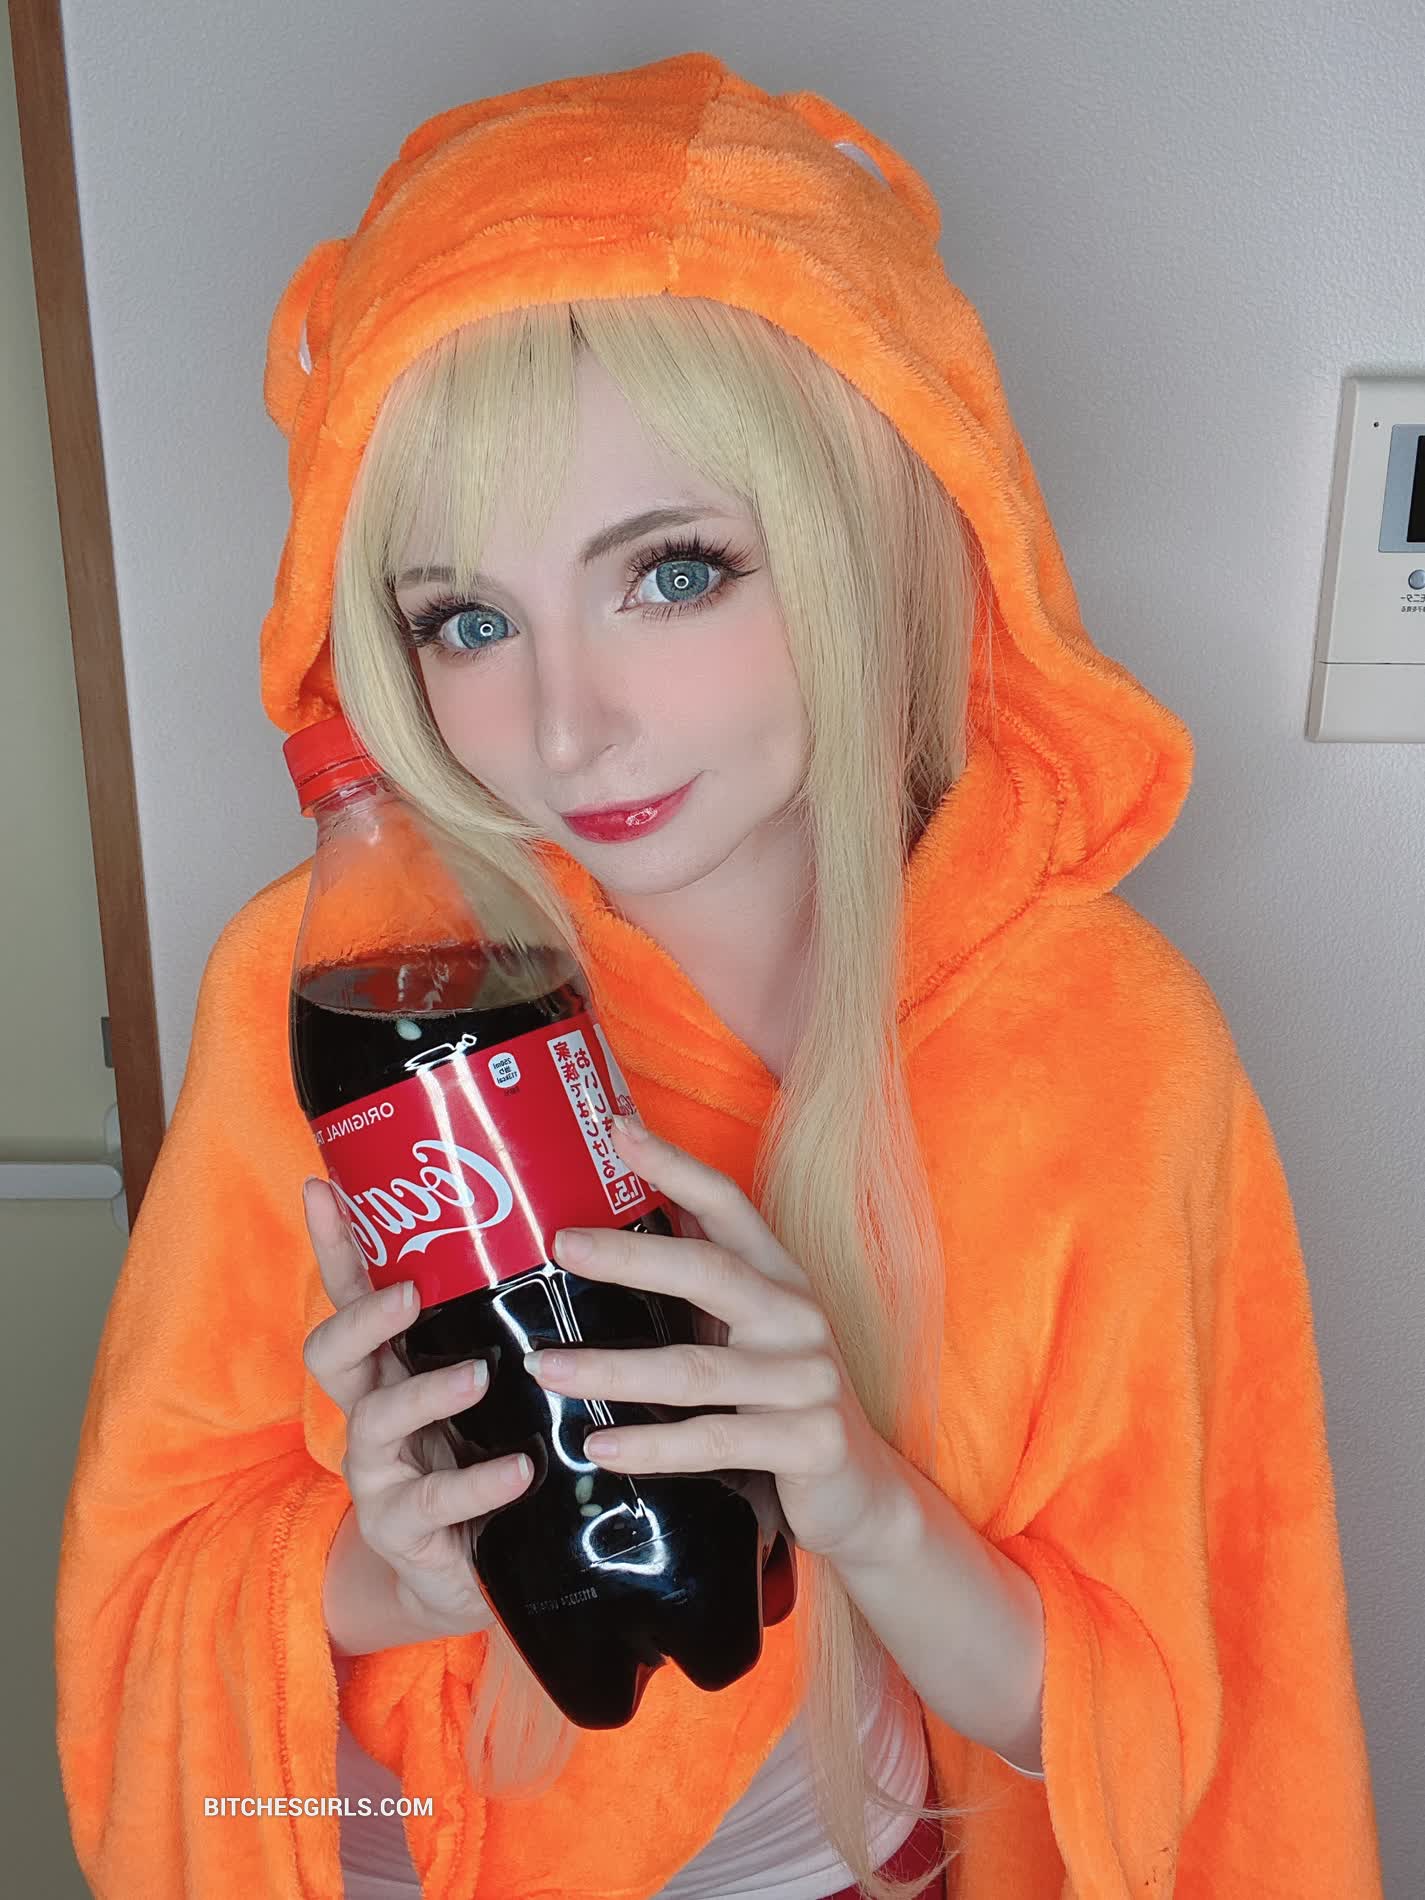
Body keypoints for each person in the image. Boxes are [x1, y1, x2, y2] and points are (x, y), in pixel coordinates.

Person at [53, 49, 1385, 1900]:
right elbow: (155, 1590)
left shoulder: (1102, 1045)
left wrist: (858, 1497)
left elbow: (1147, 1747)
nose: (567, 726)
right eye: (466, 619)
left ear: (866, 539)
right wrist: (384, 1569)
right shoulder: (345, 984)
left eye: (673, 573)